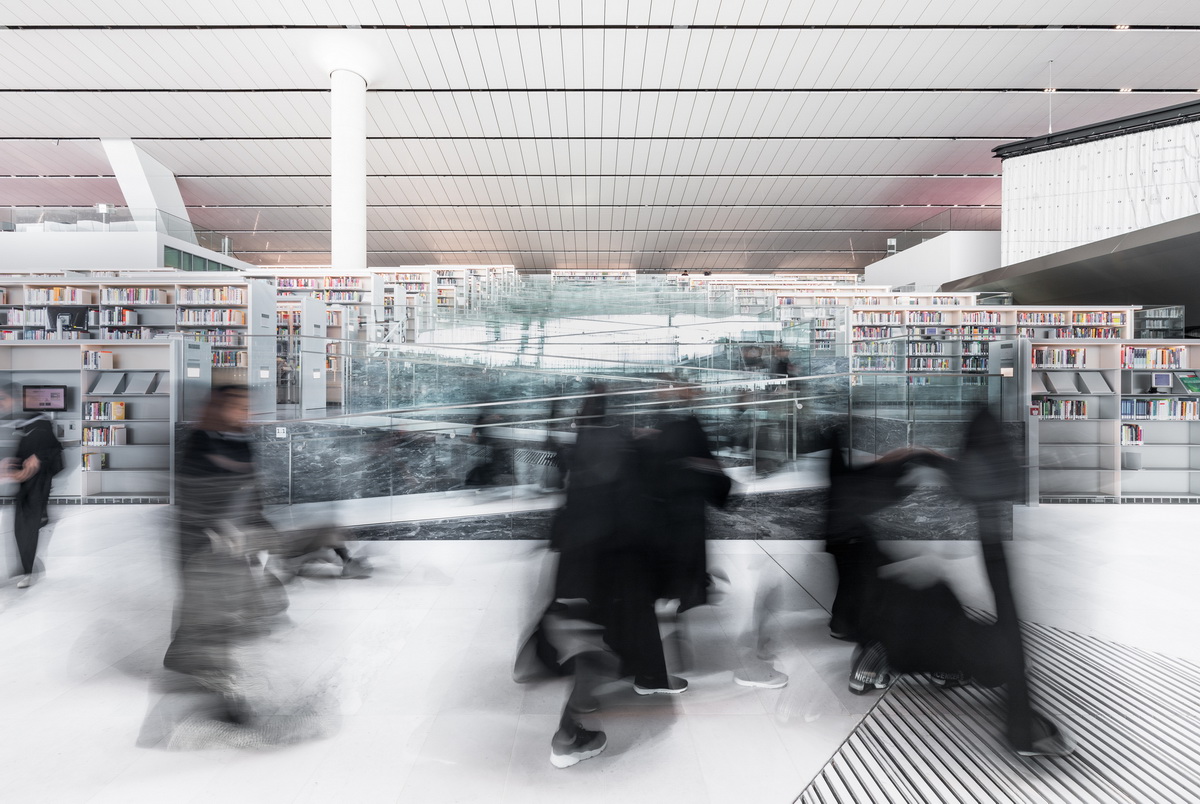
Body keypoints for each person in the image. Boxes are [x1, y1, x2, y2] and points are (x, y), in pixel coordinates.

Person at [0, 384, 63, 588]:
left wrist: (38, 458)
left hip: (38, 482)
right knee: (21, 526)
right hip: (24, 483)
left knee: (26, 526)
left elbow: (52, 449)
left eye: (3, 398)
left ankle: (28, 571)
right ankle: (26, 569)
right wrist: (10, 464)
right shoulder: (17, 420)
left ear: (13, 398)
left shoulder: (38, 420)